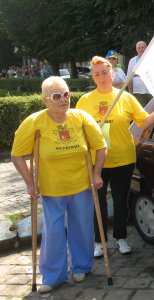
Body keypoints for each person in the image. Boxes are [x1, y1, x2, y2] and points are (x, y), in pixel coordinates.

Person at [11, 76, 107, 294]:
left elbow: (100, 146)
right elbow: (17, 155)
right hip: (52, 189)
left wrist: (97, 173)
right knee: (54, 232)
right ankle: (54, 276)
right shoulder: (34, 122)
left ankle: (82, 267)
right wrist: (29, 183)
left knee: (82, 227)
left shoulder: (81, 118)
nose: (64, 99)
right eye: (57, 96)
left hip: (81, 185)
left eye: (66, 94)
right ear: (46, 100)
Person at [76, 56, 154, 258]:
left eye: (105, 72)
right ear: (93, 77)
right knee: (98, 202)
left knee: (121, 201)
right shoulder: (85, 101)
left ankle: (121, 237)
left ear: (112, 73)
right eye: (97, 74)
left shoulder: (125, 97)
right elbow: (77, 129)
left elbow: (144, 123)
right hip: (96, 162)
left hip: (123, 159)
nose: (102, 77)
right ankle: (98, 241)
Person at [127, 41, 153, 107]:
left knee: (153, 112)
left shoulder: (152, 59)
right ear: (136, 49)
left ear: (146, 48)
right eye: (139, 48)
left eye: (142, 47)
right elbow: (129, 78)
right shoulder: (132, 61)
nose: (141, 49)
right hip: (138, 92)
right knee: (141, 112)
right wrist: (130, 93)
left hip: (152, 91)